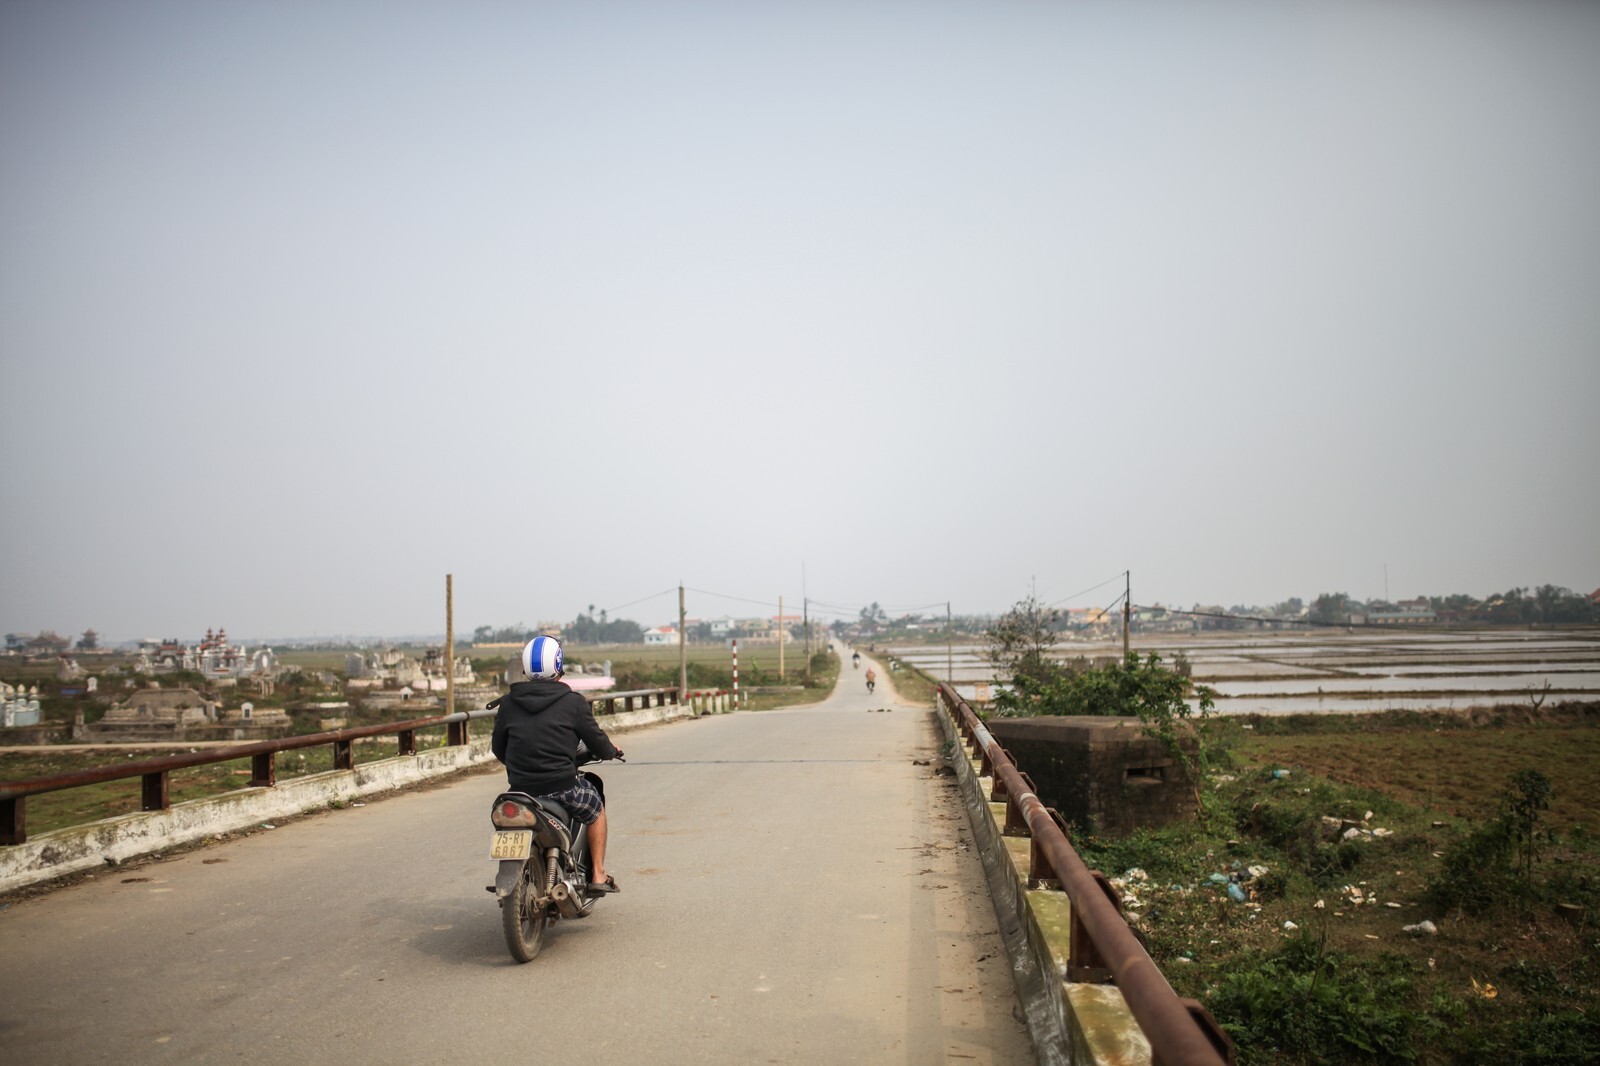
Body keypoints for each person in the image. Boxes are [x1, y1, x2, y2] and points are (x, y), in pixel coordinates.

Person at [491, 636, 623, 895]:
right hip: (562, 787)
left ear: (527, 669)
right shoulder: (573, 703)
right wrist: (610, 751)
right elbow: (597, 742)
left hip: (521, 791)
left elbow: (499, 748)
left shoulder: (507, 704)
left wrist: (520, 767)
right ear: (558, 664)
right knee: (595, 807)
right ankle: (597, 873)